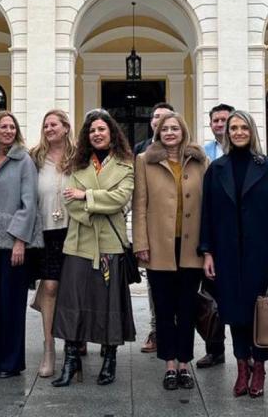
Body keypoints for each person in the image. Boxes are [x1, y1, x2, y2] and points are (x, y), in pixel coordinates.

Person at [199, 110, 268, 399]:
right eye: (233, 128)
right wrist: (207, 251)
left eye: (243, 127)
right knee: (235, 313)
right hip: (226, 253)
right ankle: (241, 368)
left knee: (259, 312)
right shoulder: (217, 168)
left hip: (260, 253)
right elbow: (207, 214)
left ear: (251, 132)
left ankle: (259, 367)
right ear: (226, 133)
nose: (237, 132)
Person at [52, 109, 135, 387]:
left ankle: (109, 359)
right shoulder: (76, 165)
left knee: (108, 304)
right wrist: (95, 204)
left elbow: (120, 199)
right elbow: (70, 203)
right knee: (72, 303)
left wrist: (86, 195)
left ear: (112, 134)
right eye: (92, 130)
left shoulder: (126, 166)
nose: (97, 134)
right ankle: (71, 360)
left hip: (110, 244)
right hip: (78, 243)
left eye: (102, 129)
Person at [133, 112, 208, 391]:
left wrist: (209, 246)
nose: (170, 133)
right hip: (159, 246)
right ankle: (169, 365)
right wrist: (140, 242)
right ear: (158, 133)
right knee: (164, 310)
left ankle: (185, 364)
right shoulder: (144, 161)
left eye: (175, 128)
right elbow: (139, 205)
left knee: (187, 309)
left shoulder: (200, 161)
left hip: (191, 246)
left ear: (183, 131)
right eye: (165, 129)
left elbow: (208, 206)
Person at [0, 111, 40, 378]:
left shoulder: (23, 160)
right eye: (3, 126)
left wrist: (19, 241)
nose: (7, 131)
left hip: (12, 241)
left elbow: (29, 204)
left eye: (11, 127)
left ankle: (12, 362)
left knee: (12, 304)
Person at [28, 109, 75, 378]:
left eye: (54, 124)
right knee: (50, 286)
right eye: (45, 125)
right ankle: (49, 348)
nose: (49, 129)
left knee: (71, 289)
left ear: (66, 127)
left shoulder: (79, 157)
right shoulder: (34, 157)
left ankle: (73, 345)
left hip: (74, 230)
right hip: (45, 231)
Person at [130, 102, 174, 355]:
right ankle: (157, 331)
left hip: (180, 233)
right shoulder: (141, 152)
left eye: (165, 118)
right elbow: (139, 196)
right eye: (155, 117)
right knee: (155, 287)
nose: (159, 122)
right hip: (154, 230)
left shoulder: (187, 152)